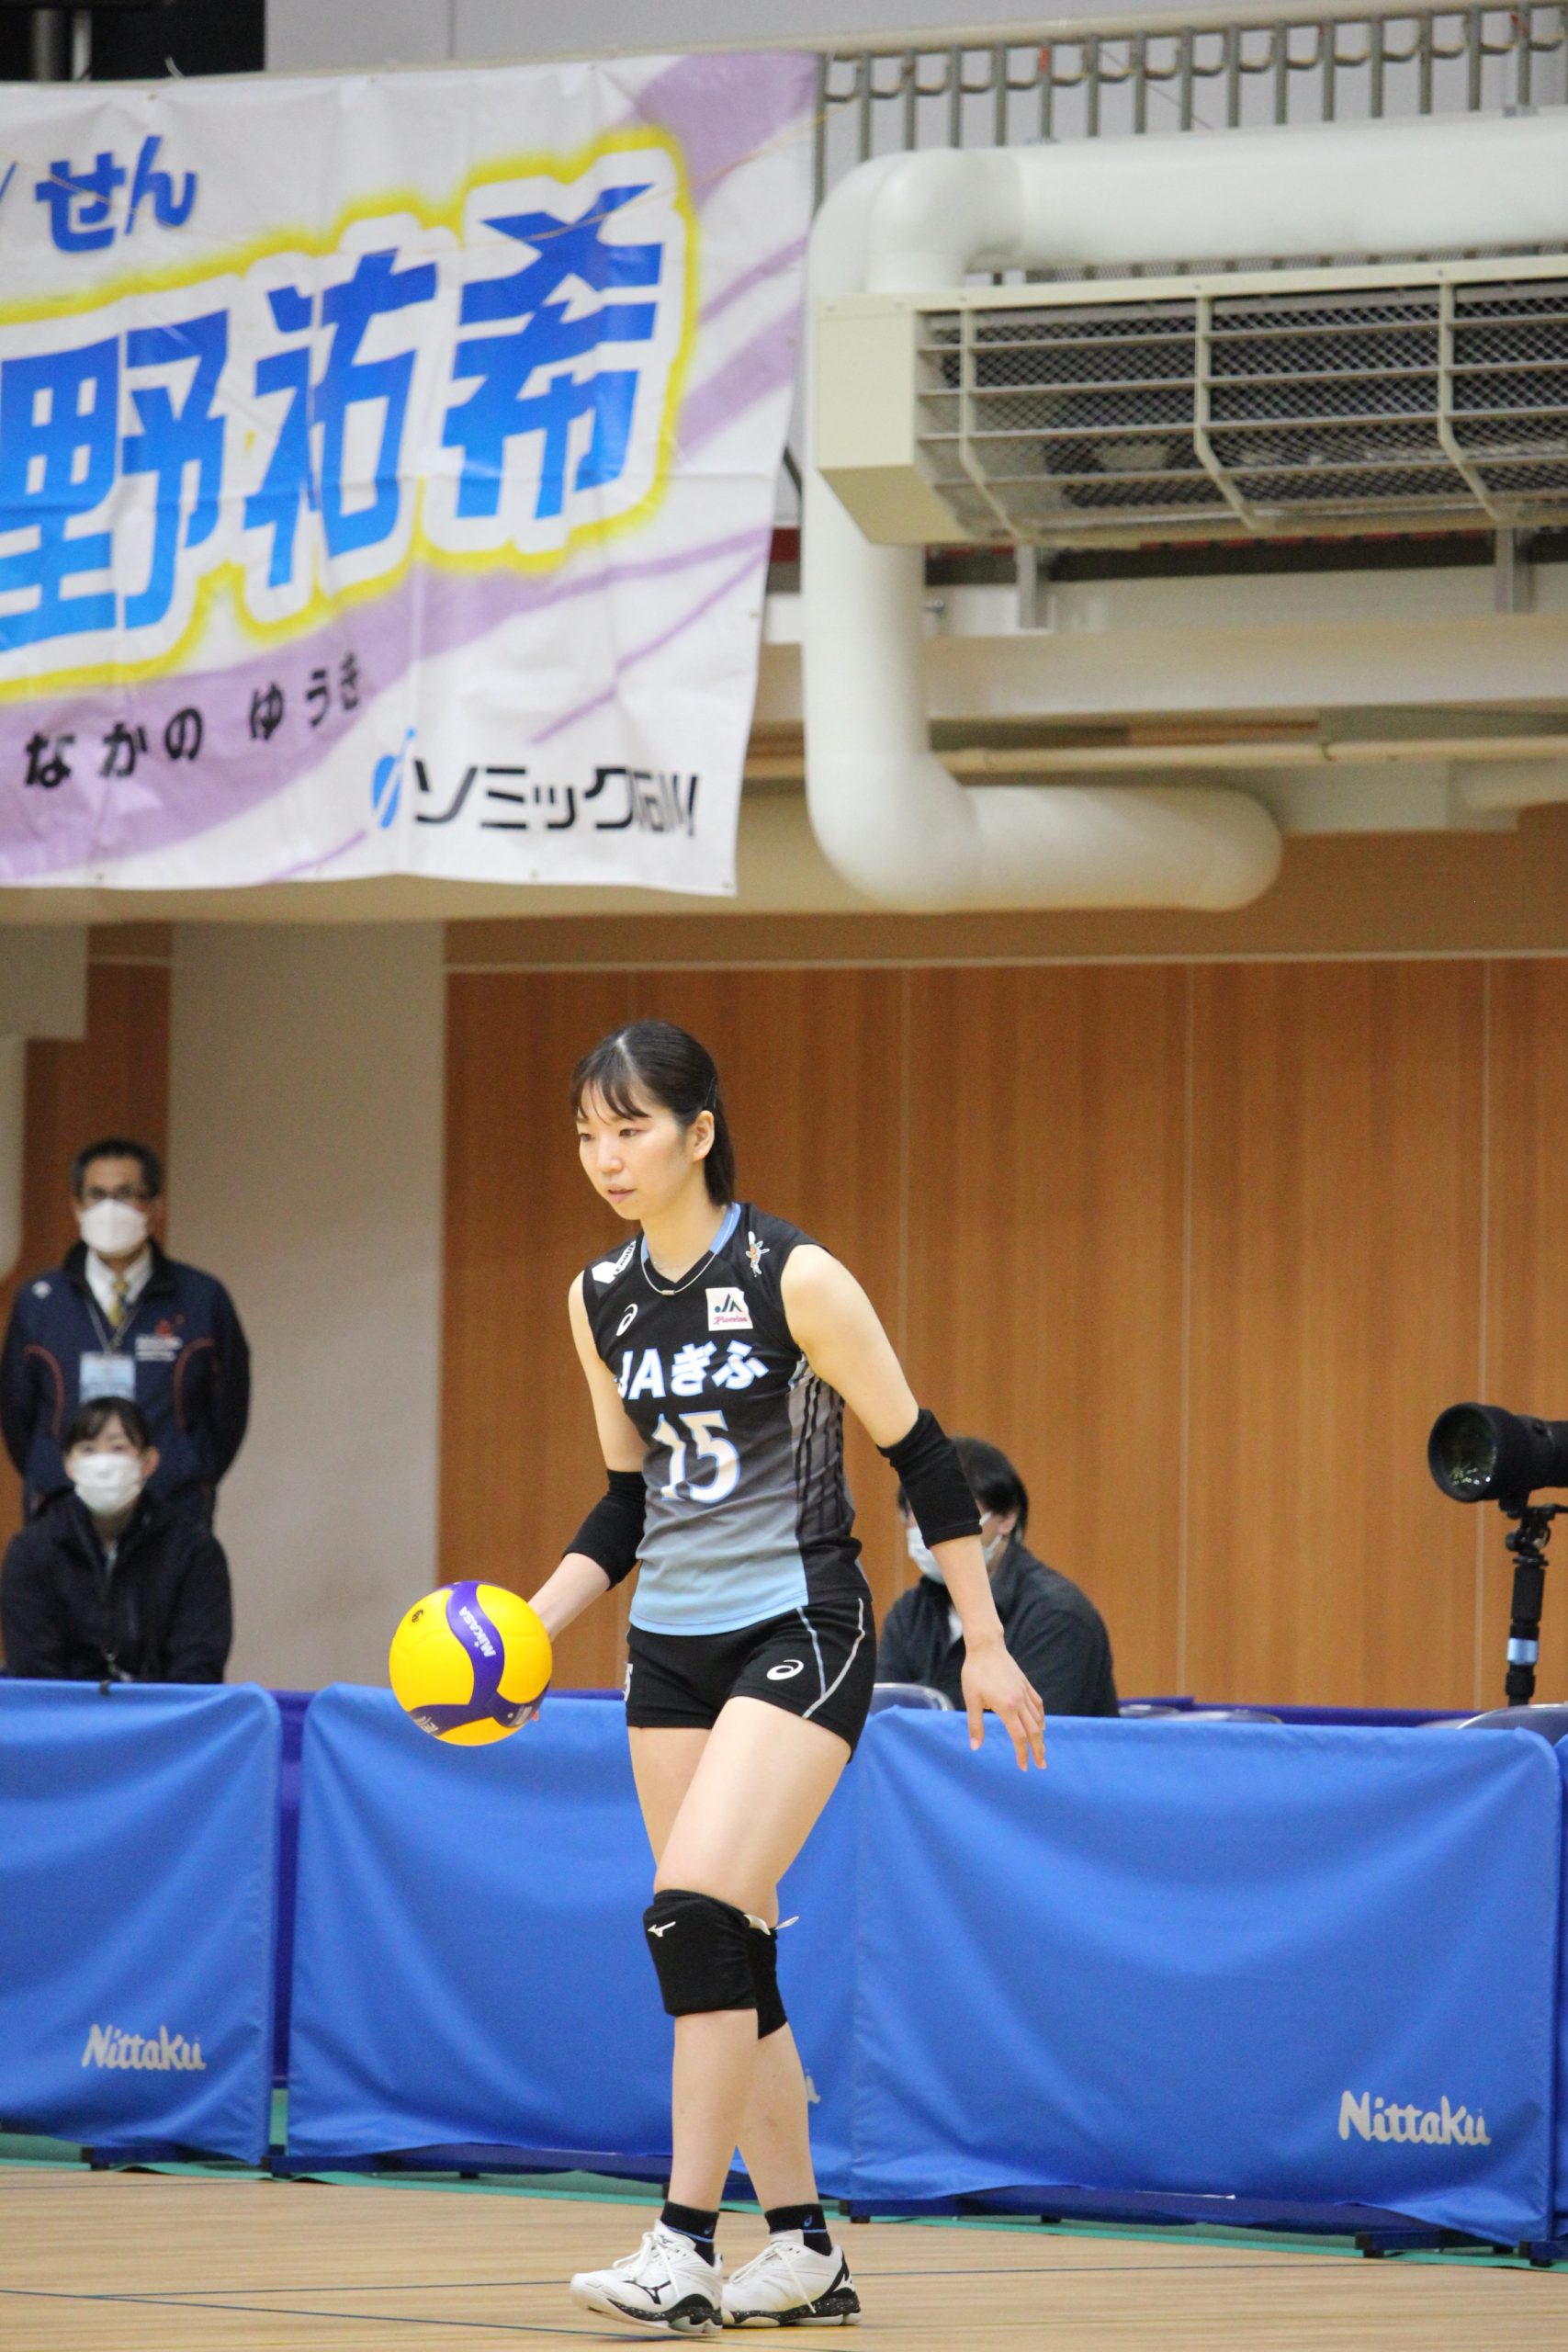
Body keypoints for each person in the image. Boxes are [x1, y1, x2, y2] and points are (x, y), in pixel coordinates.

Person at [525, 1020, 1044, 2336]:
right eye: (586, 1133)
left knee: (691, 1912)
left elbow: (922, 1456)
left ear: (699, 1132)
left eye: (630, 1127)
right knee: (727, 1947)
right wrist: (529, 1632)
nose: (605, 1156)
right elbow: (623, 1505)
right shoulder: (597, 1299)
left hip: (800, 1624)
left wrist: (983, 1640)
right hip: (668, 1648)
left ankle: (682, 2245)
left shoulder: (791, 1274)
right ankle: (805, 2247)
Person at [0, 1136, 250, 1524]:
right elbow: (17, 1415)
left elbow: (228, 1411)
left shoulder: (202, 1298)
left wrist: (188, 1471)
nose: (110, 1208)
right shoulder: (39, 1302)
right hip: (61, 1512)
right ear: (77, 1206)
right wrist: (52, 1470)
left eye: (125, 1194)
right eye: (97, 1195)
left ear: (154, 1207)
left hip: (172, 1510)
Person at [880, 1435, 1119, 1718]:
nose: (931, 1527)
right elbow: (882, 1721)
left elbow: (1032, 1736)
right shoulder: (909, 1613)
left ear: (1006, 1518)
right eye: (916, 1511)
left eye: (949, 1510)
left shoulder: (1057, 1617)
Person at [1, 1396, 232, 1682]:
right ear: (69, 1465)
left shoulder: (193, 1549)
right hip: (64, 1708)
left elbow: (198, 1664)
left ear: (148, 1462)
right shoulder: (32, 1551)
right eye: (88, 1449)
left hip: (163, 1707)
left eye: (118, 1447)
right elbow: (32, 1667)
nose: (103, 1463)